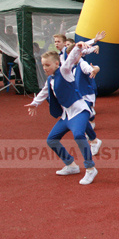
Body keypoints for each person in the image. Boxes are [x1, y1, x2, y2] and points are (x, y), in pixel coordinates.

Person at [25, 43, 97, 185]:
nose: (44, 68)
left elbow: (70, 59)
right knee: (51, 140)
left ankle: (90, 168)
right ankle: (71, 165)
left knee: (78, 135)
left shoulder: (64, 70)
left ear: (57, 63)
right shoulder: (50, 79)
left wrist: (78, 47)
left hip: (79, 110)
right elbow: (44, 92)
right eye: (43, 65)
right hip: (66, 115)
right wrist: (34, 103)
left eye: (47, 65)